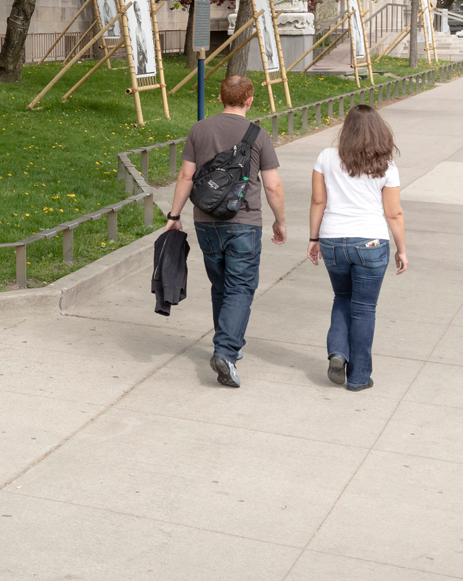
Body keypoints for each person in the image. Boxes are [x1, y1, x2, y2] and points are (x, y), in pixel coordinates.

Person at [165, 75, 287, 388]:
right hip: (244, 222)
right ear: (250, 100)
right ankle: (227, 351)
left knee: (221, 285)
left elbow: (186, 176)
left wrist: (174, 215)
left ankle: (228, 342)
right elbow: (272, 184)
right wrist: (280, 220)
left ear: (220, 98)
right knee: (240, 288)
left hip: (206, 221)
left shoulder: (199, 129)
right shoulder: (258, 135)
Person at [307, 104, 407, 391]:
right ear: (379, 131)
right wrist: (401, 249)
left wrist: (314, 239)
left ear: (346, 129)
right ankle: (359, 377)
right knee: (364, 309)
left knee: (342, 297)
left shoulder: (326, 157)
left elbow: (318, 201)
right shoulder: (387, 167)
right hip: (371, 242)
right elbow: (394, 213)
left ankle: (338, 353)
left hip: (333, 240)